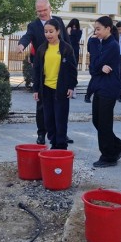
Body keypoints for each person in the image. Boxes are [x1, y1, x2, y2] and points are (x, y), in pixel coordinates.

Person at [16, 0, 68, 144]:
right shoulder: (33, 25)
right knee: (42, 105)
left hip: (60, 69)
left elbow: (67, 41)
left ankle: (60, 134)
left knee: (61, 104)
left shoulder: (58, 21)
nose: (42, 13)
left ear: (50, 8)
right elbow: (27, 37)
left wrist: (71, 60)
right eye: (39, 11)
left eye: (44, 10)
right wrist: (21, 45)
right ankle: (41, 133)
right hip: (43, 70)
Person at [32, 19, 78, 149]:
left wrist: (71, 86)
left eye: (51, 31)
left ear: (58, 31)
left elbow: (72, 69)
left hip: (61, 89)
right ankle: (53, 142)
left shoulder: (66, 48)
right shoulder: (42, 49)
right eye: (46, 32)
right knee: (48, 119)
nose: (48, 34)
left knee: (60, 118)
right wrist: (36, 89)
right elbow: (36, 70)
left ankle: (61, 145)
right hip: (45, 89)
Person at [90, 16, 121, 167]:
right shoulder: (101, 44)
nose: (96, 32)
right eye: (95, 29)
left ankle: (108, 156)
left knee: (104, 123)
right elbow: (93, 68)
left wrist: (97, 66)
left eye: (98, 29)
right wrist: (99, 68)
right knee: (97, 121)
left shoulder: (112, 45)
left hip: (109, 88)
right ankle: (117, 146)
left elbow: (95, 64)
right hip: (99, 87)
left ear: (108, 29)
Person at [67, 18, 82, 99]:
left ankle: (73, 89)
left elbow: (76, 39)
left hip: (75, 53)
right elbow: (66, 41)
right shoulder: (66, 30)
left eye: (75, 27)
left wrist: (70, 33)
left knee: (73, 71)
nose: (74, 29)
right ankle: (67, 90)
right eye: (72, 27)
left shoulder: (79, 32)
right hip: (67, 53)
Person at [83, 33, 99, 104]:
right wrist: (94, 39)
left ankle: (90, 96)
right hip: (94, 63)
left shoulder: (107, 39)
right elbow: (89, 49)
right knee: (94, 80)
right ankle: (88, 96)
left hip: (102, 62)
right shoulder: (93, 39)